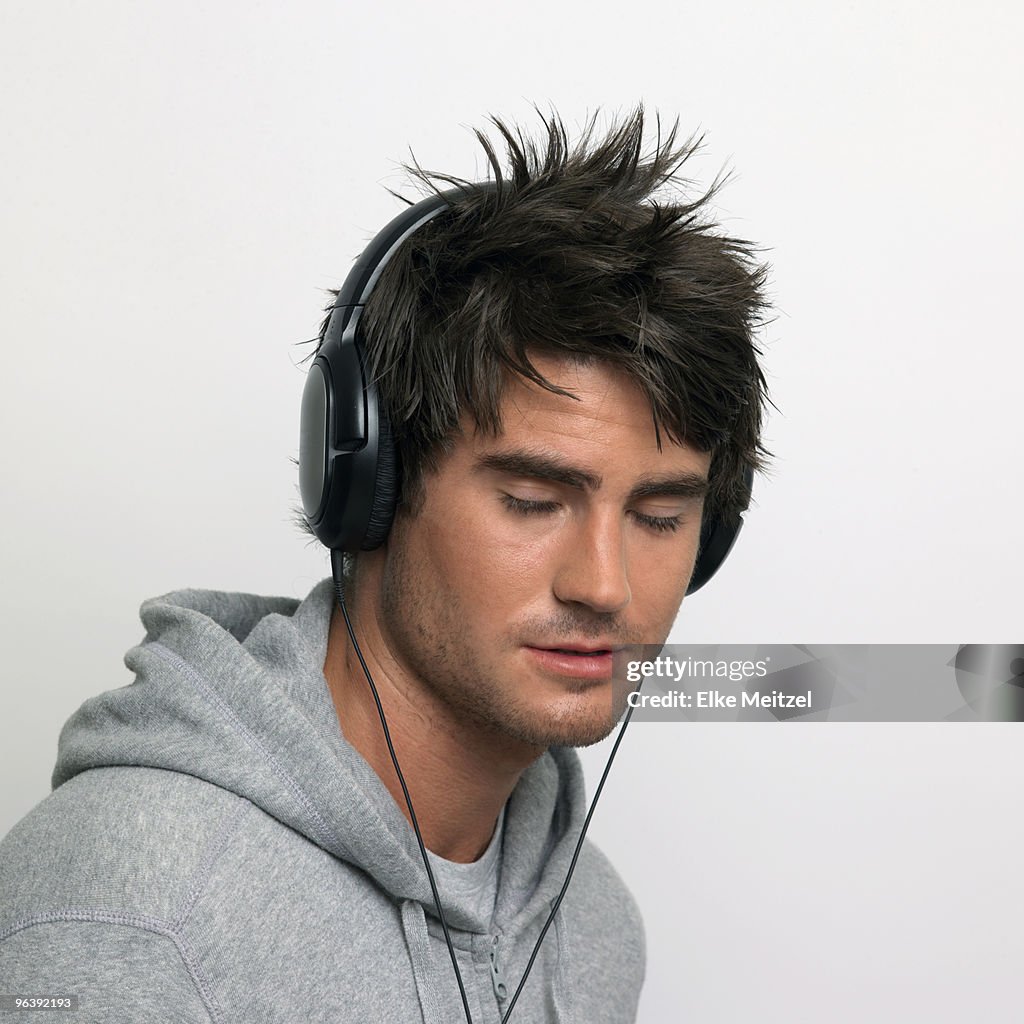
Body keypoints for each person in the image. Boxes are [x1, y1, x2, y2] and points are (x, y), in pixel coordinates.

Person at [0, 107, 771, 1023]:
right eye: (531, 500)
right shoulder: (132, 916)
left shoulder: (593, 925)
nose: (604, 586)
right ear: (369, 487)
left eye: (659, 515)